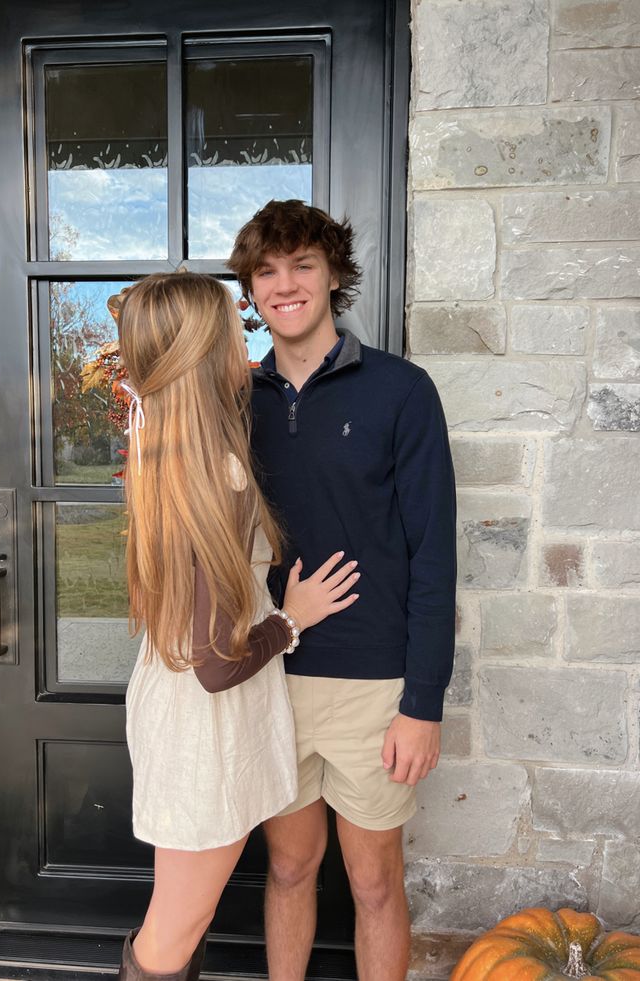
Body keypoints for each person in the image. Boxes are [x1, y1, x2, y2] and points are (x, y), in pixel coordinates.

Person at [228, 200, 457, 981]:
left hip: (374, 687)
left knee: (373, 880)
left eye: (302, 265)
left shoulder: (401, 391)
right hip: (272, 679)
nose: (285, 284)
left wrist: (422, 701)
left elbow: (434, 554)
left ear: (333, 275)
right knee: (289, 869)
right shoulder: (233, 403)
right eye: (266, 271)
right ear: (251, 290)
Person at [113, 272, 361, 981]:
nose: (244, 336)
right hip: (204, 728)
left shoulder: (167, 446)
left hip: (185, 717)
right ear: (204, 349)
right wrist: (292, 619)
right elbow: (216, 663)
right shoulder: (209, 472)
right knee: (176, 927)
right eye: (233, 325)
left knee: (181, 920)